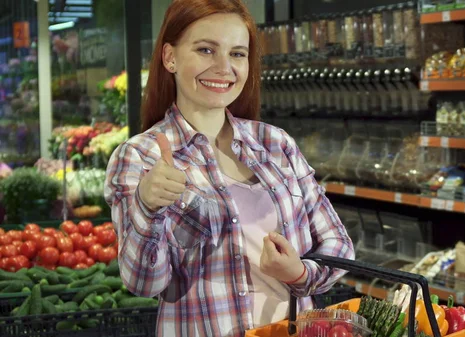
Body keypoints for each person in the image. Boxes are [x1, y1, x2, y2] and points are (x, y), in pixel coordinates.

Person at [104, 0, 354, 336]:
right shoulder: (139, 156)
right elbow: (143, 283)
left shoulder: (275, 144)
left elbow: (338, 244)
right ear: (170, 57)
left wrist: (299, 273)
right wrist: (147, 207)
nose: (224, 67)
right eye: (206, 50)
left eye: (237, 54)